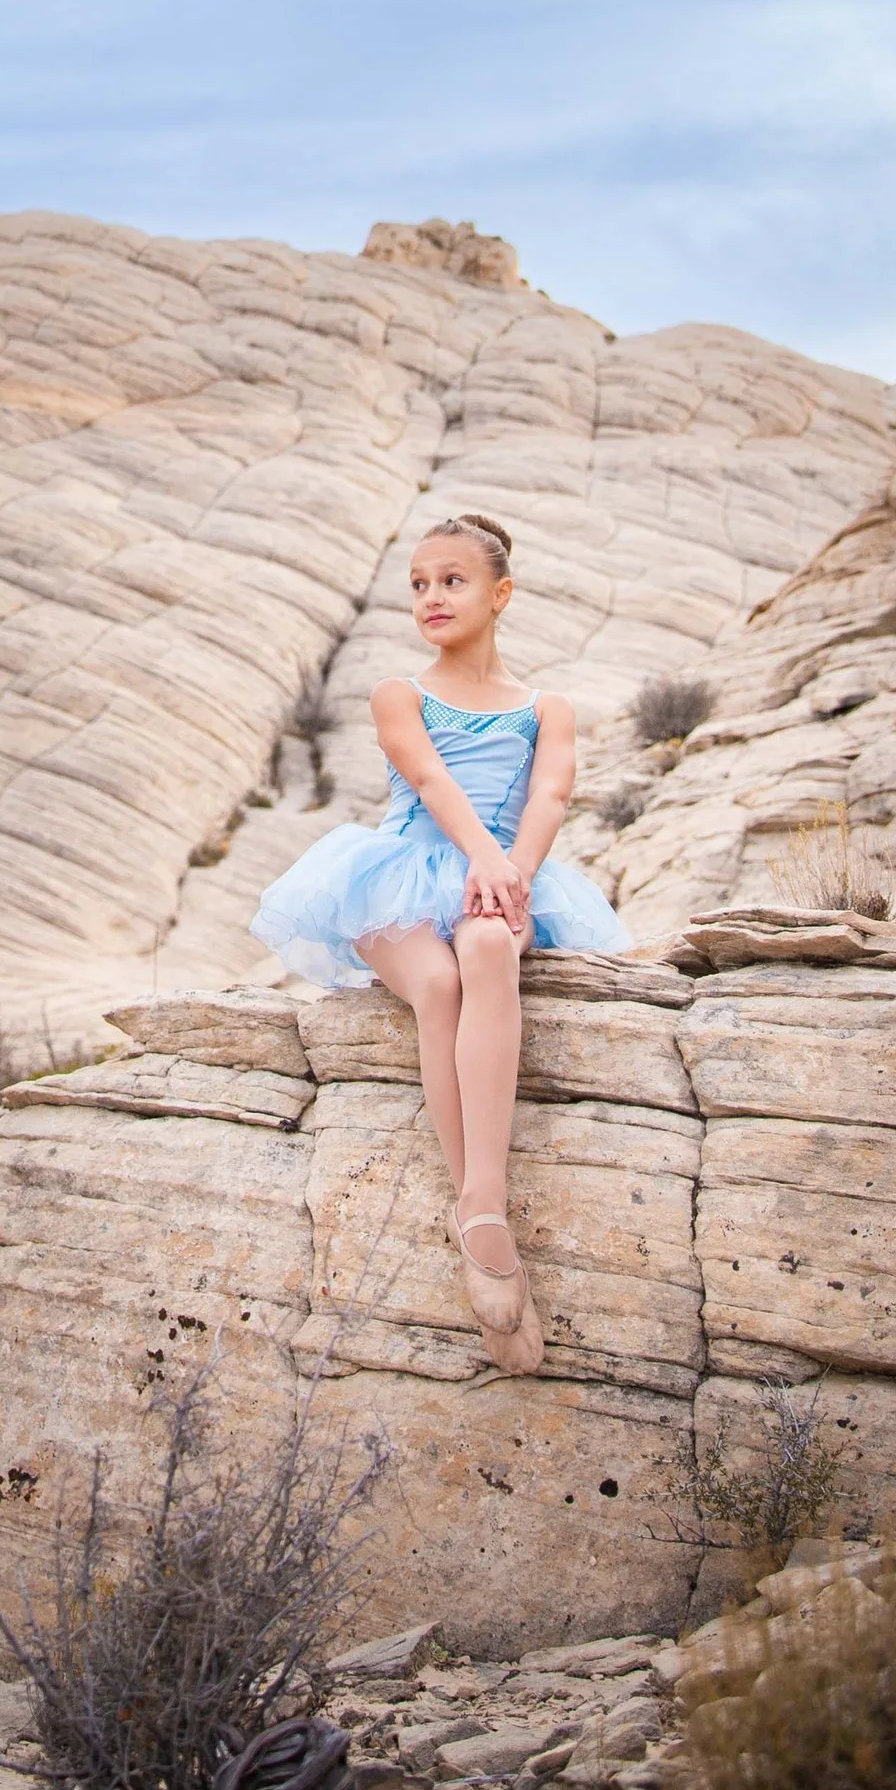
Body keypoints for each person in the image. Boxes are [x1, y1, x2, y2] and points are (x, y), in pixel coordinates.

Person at [248, 510, 629, 1378]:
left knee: (490, 950)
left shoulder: (546, 707)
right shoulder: (400, 694)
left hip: (510, 872)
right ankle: (481, 1217)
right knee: (442, 984)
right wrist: (484, 860)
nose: (431, 597)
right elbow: (427, 777)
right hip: (403, 877)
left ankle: (480, 1207)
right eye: (418, 584)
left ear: (500, 594)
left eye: (451, 581)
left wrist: (514, 874)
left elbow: (551, 795)